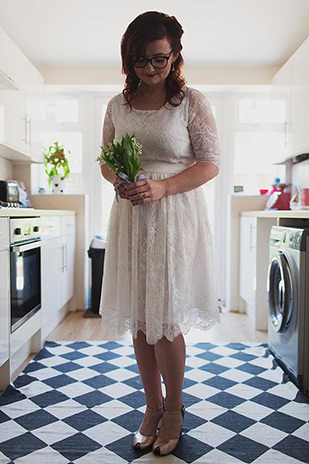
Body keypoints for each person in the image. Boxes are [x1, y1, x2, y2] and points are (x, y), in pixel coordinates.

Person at [99, 11, 220, 456]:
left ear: (175, 55)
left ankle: (175, 409)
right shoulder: (117, 105)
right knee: (140, 320)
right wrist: (118, 180)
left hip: (174, 218)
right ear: (128, 60)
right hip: (132, 218)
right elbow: (106, 158)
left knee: (166, 322)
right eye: (140, 61)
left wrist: (163, 185)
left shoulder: (191, 101)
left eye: (160, 60)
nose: (150, 69)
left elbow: (210, 163)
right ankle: (151, 406)